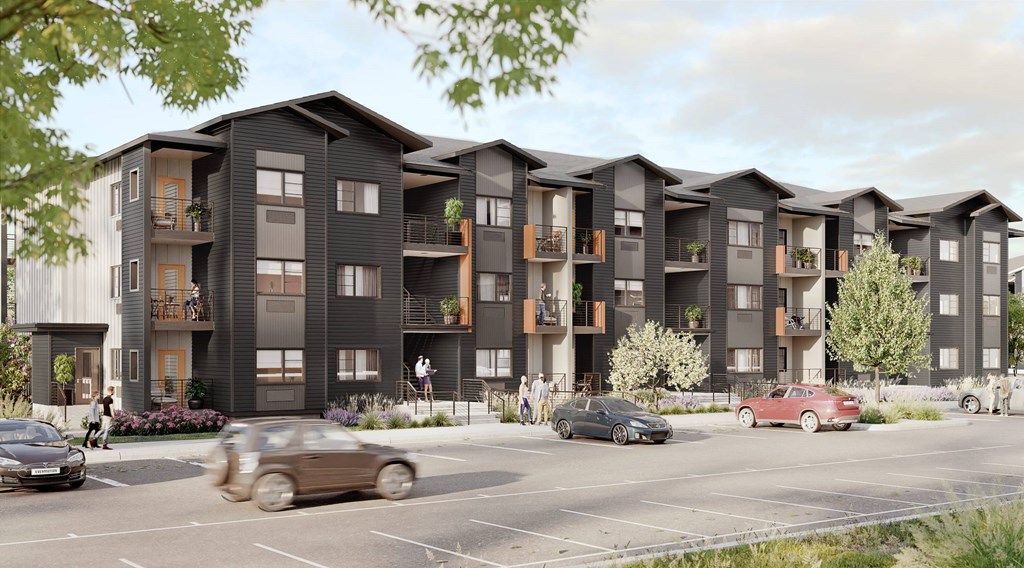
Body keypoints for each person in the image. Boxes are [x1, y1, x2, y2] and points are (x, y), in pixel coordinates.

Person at [96, 385, 115, 450]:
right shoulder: (110, 399)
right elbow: (111, 409)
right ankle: (104, 444)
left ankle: (93, 440)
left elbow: (104, 408)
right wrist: (113, 416)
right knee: (107, 430)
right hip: (108, 417)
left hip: (104, 416)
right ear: (111, 391)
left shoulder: (104, 399)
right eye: (114, 390)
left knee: (102, 430)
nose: (114, 392)